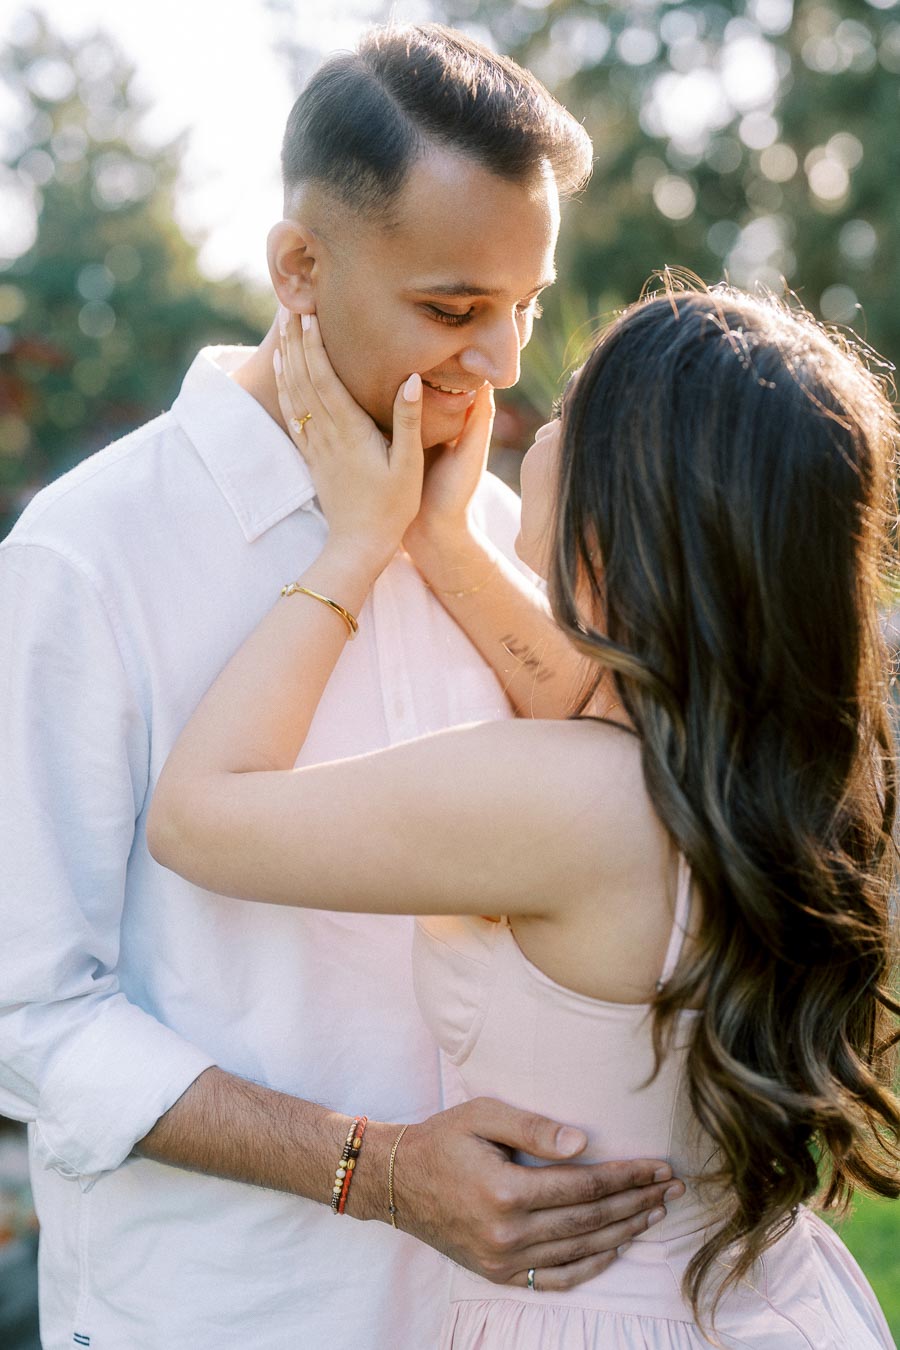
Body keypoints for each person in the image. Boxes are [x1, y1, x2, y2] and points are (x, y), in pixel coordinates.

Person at [0, 25, 681, 1350]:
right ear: (299, 268)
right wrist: (371, 1165)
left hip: (515, 1319)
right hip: (229, 1314)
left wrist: (441, 544)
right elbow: (31, 1012)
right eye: (453, 307)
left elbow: (656, 798)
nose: (502, 361)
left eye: (524, 303)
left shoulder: (486, 529)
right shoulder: (85, 558)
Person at [147, 281, 900, 1349]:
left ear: (623, 503)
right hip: (771, 1303)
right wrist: (443, 541)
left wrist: (355, 547)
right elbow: (607, 705)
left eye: (560, 418)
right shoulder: (805, 768)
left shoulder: (560, 798)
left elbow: (197, 818)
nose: (513, 417)